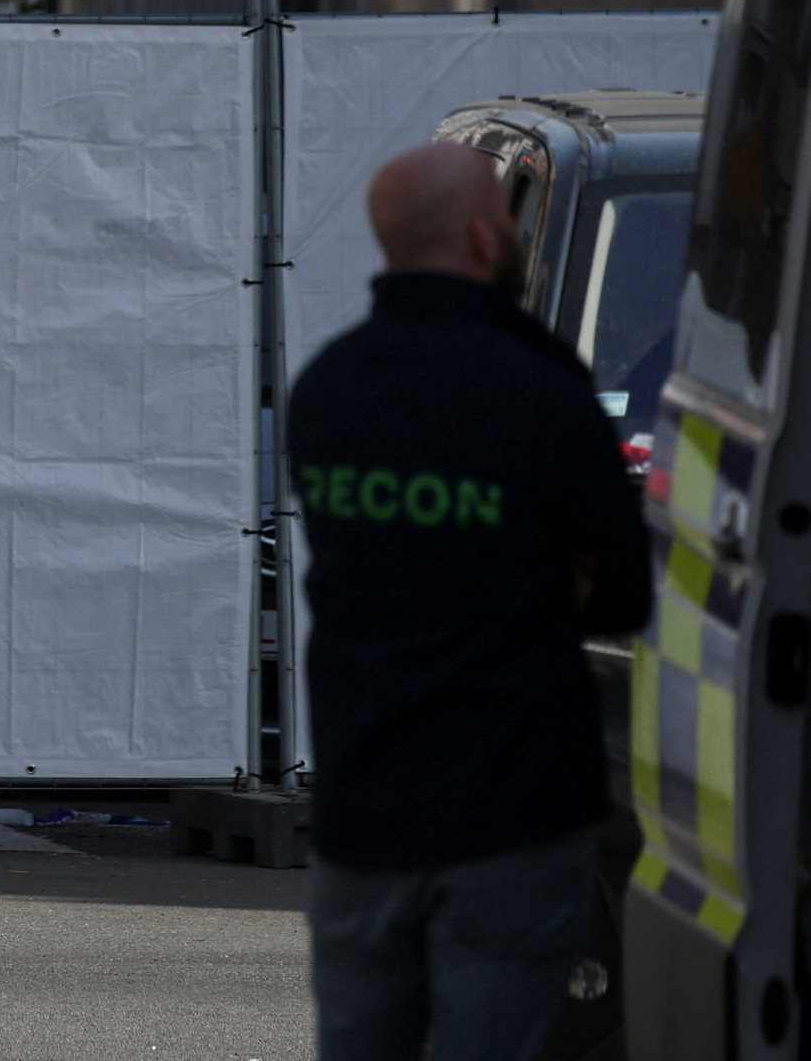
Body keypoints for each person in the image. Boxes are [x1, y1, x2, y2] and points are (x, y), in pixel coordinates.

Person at [284, 141, 652, 1061]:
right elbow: (626, 590)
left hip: (367, 811)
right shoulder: (543, 390)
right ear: (488, 238)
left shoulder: (331, 387)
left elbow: (378, 566)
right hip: (511, 812)